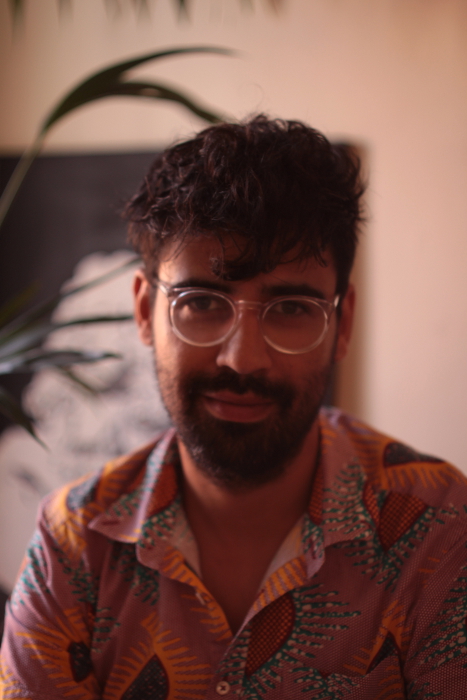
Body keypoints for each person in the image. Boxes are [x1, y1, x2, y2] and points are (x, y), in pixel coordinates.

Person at [1, 115, 467, 700]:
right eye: (201, 303)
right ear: (144, 312)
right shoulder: (73, 543)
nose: (243, 360)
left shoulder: (438, 529)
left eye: (291, 309)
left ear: (342, 323)